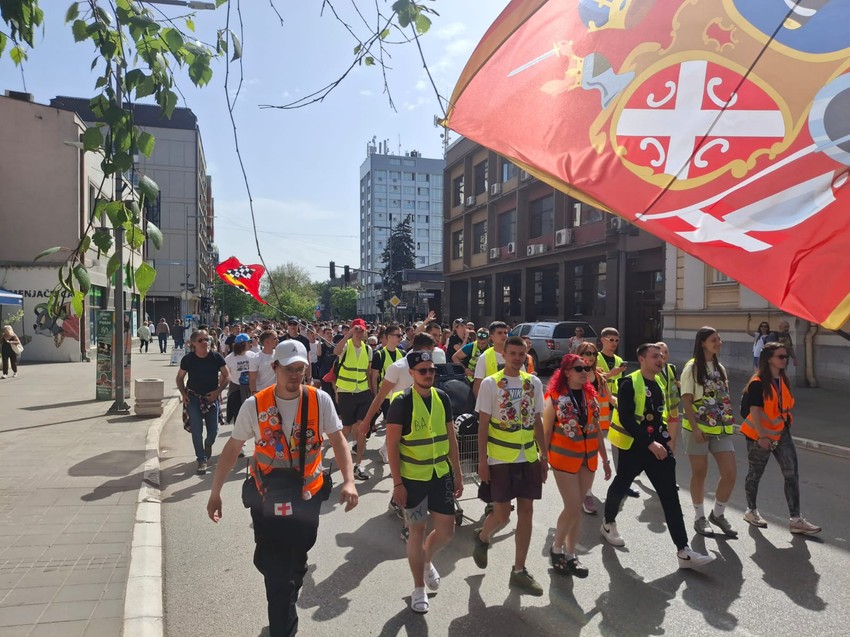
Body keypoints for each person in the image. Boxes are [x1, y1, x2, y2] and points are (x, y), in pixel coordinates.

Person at [206, 339, 359, 636]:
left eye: (300, 369)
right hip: (267, 498)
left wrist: (350, 480)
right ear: (274, 367)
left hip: (307, 496)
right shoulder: (255, 405)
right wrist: (215, 492)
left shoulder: (319, 400)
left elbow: (338, 440)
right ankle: (282, 622)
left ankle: (287, 586)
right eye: (289, 369)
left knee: (296, 561)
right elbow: (232, 448)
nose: (295, 375)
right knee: (277, 574)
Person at [602, 343, 714, 570]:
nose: (660, 359)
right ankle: (608, 523)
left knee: (670, 496)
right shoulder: (628, 383)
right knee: (622, 484)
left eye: (662, 355)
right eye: (655, 356)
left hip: (658, 447)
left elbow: (663, 415)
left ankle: (683, 551)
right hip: (634, 446)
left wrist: (665, 442)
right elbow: (626, 418)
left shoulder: (661, 381)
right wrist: (649, 442)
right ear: (641, 358)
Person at [386, 350, 463, 613]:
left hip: (440, 474)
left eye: (432, 370)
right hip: (412, 479)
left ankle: (426, 561)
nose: (429, 374)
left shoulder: (442, 397)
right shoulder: (401, 402)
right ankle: (418, 588)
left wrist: (458, 473)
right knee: (416, 532)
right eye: (423, 370)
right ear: (411, 373)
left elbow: (451, 438)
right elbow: (392, 444)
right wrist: (397, 484)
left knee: (446, 532)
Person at [472, 336, 547, 596]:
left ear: (527, 355)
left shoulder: (533, 383)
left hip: (528, 456)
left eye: (521, 354)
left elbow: (537, 421)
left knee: (526, 511)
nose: (517, 358)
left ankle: (519, 570)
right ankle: (483, 537)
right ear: (503, 354)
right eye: (512, 353)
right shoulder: (491, 384)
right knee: (502, 515)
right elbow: (482, 425)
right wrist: (482, 460)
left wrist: (544, 456)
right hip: (500, 458)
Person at [740, 342, 821, 534]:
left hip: (781, 433)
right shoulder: (758, 382)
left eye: (786, 356)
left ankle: (796, 519)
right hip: (760, 436)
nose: (785, 359)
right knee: (755, 473)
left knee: (791, 473)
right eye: (781, 356)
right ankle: (751, 511)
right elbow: (755, 411)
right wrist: (762, 437)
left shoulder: (782, 379)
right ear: (769, 358)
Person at [542, 354, 611, 578]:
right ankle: (556, 548)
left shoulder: (590, 396)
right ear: (567, 372)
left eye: (586, 368)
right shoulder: (553, 397)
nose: (584, 372)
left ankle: (571, 554)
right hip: (563, 459)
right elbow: (545, 432)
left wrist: (605, 459)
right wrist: (543, 460)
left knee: (577, 508)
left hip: (588, 458)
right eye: (578, 368)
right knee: (572, 505)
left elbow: (596, 429)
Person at [679, 327, 738, 538]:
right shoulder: (692, 368)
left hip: (721, 429)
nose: (718, 343)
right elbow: (686, 399)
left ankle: (718, 514)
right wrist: (695, 429)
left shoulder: (720, 367)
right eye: (714, 340)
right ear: (703, 342)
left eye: (720, 339)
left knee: (730, 473)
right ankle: (699, 517)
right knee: (700, 473)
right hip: (699, 431)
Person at [176, 329, 230, 474]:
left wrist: (218, 392)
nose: (205, 342)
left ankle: (208, 444)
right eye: (201, 340)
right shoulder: (188, 359)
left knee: (213, 431)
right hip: (193, 398)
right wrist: (183, 394)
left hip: (211, 398)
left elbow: (227, 375)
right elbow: (179, 378)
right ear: (193, 343)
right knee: (196, 430)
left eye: (207, 339)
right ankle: (201, 459)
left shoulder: (216, 357)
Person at [333, 317, 374, 481]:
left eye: (362, 330)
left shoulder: (368, 349)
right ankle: (340, 456)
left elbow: (368, 372)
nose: (359, 332)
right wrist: (347, 336)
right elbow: (336, 351)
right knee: (347, 428)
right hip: (346, 392)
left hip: (363, 392)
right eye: (356, 329)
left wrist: (373, 394)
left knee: (362, 428)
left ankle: (358, 465)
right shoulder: (347, 345)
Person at [575, 341, 613, 515]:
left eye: (593, 354)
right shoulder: (571, 374)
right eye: (587, 353)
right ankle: (579, 490)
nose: (590, 357)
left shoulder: (599, 375)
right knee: (579, 460)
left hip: (594, 425)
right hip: (574, 425)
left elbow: (610, 398)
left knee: (590, 459)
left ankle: (586, 493)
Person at [472, 321, 511, 397]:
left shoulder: (514, 354)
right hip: (492, 404)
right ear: (491, 336)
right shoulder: (484, 357)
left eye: (505, 333)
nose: (504, 335)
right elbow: (477, 386)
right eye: (500, 333)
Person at [224, 333, 256, 423]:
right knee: (237, 415)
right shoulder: (229, 358)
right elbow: (225, 376)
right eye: (248, 342)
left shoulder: (253, 355)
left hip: (250, 387)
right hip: (236, 388)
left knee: (250, 414)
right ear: (242, 344)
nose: (250, 344)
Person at [597, 327, 627, 396]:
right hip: (600, 396)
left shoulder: (619, 360)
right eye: (611, 340)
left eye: (617, 340)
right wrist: (611, 373)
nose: (614, 343)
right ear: (602, 340)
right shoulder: (595, 358)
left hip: (616, 397)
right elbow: (592, 379)